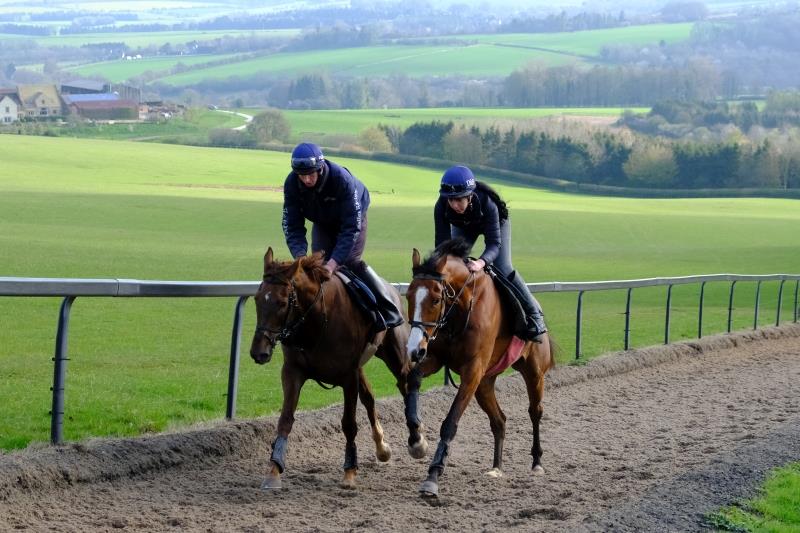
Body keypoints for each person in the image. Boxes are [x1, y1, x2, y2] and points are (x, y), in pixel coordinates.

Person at [282, 142, 403, 333]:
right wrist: (301, 257)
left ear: (320, 169)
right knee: (317, 267)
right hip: (322, 220)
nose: (306, 180)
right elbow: (292, 225)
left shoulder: (342, 180)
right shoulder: (291, 184)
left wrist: (333, 264)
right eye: (301, 175)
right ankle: (320, 315)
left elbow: (351, 229)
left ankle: (388, 307)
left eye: (310, 174)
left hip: (352, 219)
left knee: (349, 262)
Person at [434, 165, 546, 341]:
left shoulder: (487, 203)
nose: (455, 205)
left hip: (495, 224)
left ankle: (535, 315)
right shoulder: (441, 204)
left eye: (459, 200)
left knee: (503, 267)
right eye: (451, 200)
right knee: (452, 263)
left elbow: (494, 244)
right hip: (464, 226)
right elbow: (442, 246)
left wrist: (481, 262)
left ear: (470, 195)